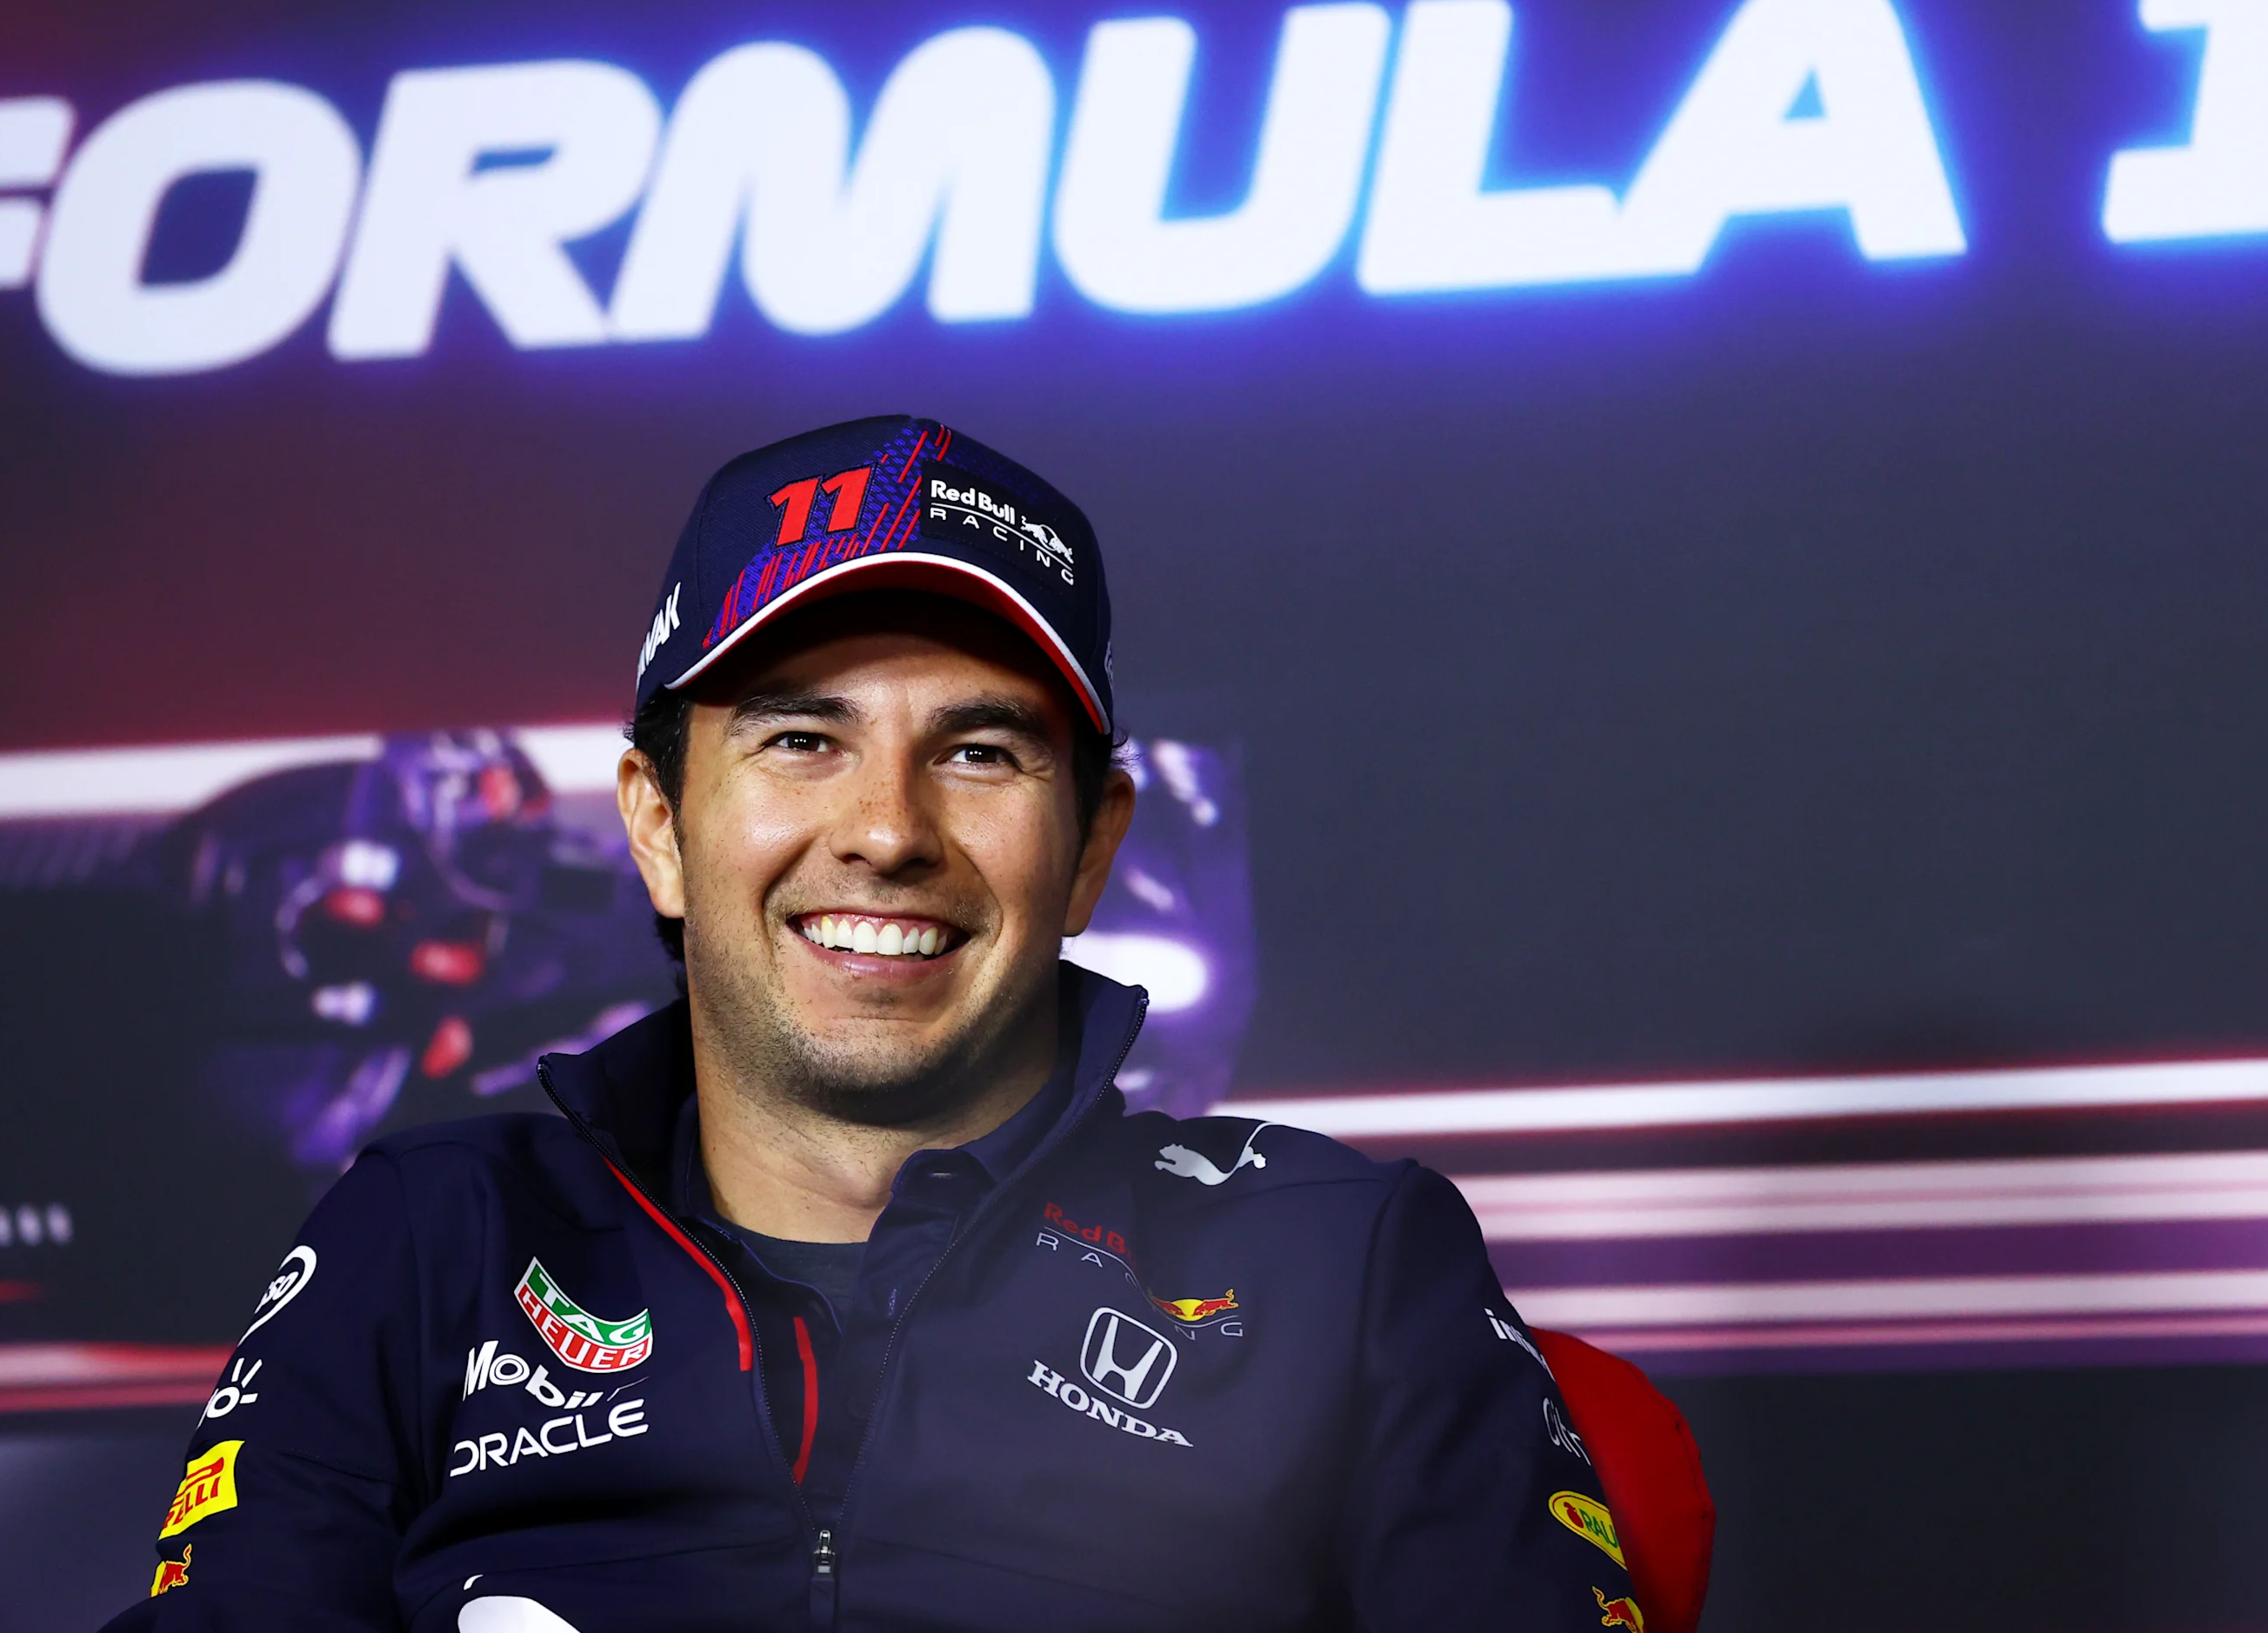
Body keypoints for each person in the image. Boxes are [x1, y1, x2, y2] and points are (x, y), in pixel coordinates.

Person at [107, 415, 1637, 1632]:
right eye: (799, 738)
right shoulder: (429, 1236)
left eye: (979, 752)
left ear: (1093, 847)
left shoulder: (1341, 1263)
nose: (888, 830)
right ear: (658, 823)